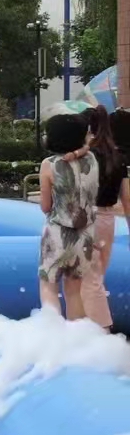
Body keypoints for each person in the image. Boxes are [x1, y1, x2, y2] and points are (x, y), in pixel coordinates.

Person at [38, 113, 99, 320]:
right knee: (74, 291)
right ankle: (77, 341)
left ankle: (53, 338)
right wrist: (83, 147)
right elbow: (86, 150)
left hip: (57, 234)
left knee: (49, 287)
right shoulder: (91, 159)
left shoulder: (49, 165)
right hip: (86, 236)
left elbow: (46, 206)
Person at [84, 106, 129, 329]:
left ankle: (101, 329)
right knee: (97, 275)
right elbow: (127, 199)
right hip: (106, 220)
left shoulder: (84, 156)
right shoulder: (118, 157)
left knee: (87, 279)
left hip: (84, 219)